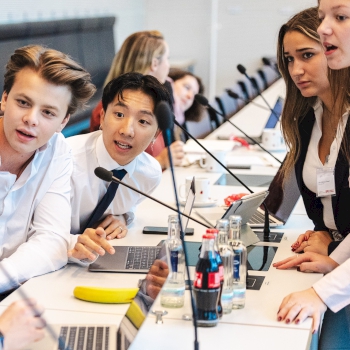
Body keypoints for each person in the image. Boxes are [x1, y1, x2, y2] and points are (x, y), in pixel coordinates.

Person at [274, 4, 350, 339]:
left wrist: (324, 285)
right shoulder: (308, 118)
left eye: (307, 55)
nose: (295, 69)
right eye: (289, 59)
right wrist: (325, 233)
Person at [0, 45, 95, 293]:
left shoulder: (57, 151)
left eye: (48, 112)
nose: (31, 119)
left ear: (63, 122)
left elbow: (51, 239)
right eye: (23, 102)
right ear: (4, 98)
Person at [68, 72, 172, 261]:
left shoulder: (149, 174)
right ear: (102, 117)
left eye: (143, 121)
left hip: (95, 263)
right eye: (119, 114)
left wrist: (124, 217)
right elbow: (36, 232)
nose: (126, 130)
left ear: (156, 134)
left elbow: (126, 203)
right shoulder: (66, 160)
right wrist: (73, 242)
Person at [89, 30, 185, 170]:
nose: (169, 66)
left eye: (143, 121)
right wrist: (160, 162)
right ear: (154, 63)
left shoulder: (156, 104)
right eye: (167, 59)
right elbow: (108, 173)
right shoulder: (104, 109)